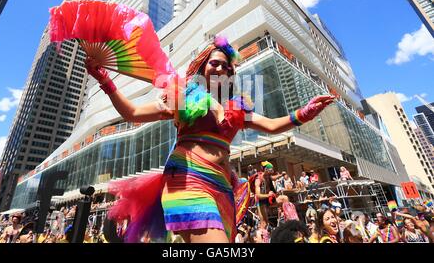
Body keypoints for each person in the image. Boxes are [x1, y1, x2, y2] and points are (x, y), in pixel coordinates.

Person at [87, 36, 334, 243]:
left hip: (223, 188)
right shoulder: (183, 97)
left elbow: (271, 125)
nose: (221, 69)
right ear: (203, 66)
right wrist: (105, 81)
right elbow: (133, 113)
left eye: (227, 67)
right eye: (215, 63)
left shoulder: (235, 108)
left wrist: (306, 113)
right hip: (188, 179)